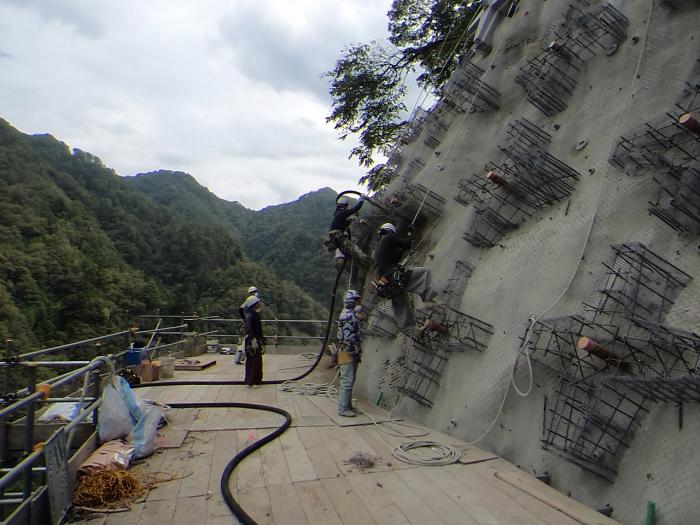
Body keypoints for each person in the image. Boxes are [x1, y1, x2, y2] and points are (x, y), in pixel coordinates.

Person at [373, 223, 440, 328]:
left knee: (401, 303)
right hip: (395, 278)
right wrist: (410, 232)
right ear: (391, 231)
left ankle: (413, 329)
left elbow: (396, 257)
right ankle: (429, 300)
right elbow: (408, 244)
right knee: (424, 272)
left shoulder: (378, 248)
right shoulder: (389, 237)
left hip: (386, 285)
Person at [337, 290, 363, 417]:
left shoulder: (350, 314)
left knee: (350, 380)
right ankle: (343, 409)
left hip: (349, 350)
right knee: (347, 380)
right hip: (348, 351)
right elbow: (349, 338)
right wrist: (355, 352)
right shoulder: (348, 316)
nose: (359, 302)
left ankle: (348, 406)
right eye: (357, 299)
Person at [325, 196, 371, 265]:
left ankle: (362, 266)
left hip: (335, 240)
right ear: (345, 205)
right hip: (339, 237)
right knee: (355, 249)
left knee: (350, 253)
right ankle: (369, 261)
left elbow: (343, 227)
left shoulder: (338, 214)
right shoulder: (342, 212)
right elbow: (355, 208)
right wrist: (362, 199)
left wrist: (349, 221)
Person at [234, 286, 260, 365]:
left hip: (248, 322)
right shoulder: (250, 301)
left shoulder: (249, 300)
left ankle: (241, 358)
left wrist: (244, 318)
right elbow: (241, 309)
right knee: (247, 340)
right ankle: (243, 357)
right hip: (250, 323)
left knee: (245, 341)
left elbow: (241, 309)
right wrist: (245, 318)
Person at [243, 296, 265, 387]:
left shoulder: (255, 315)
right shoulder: (250, 316)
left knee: (257, 361)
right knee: (252, 361)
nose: (259, 305)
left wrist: (262, 341)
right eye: (258, 303)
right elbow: (249, 329)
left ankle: (257, 380)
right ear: (254, 305)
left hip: (257, 339)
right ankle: (251, 381)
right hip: (252, 341)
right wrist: (253, 340)